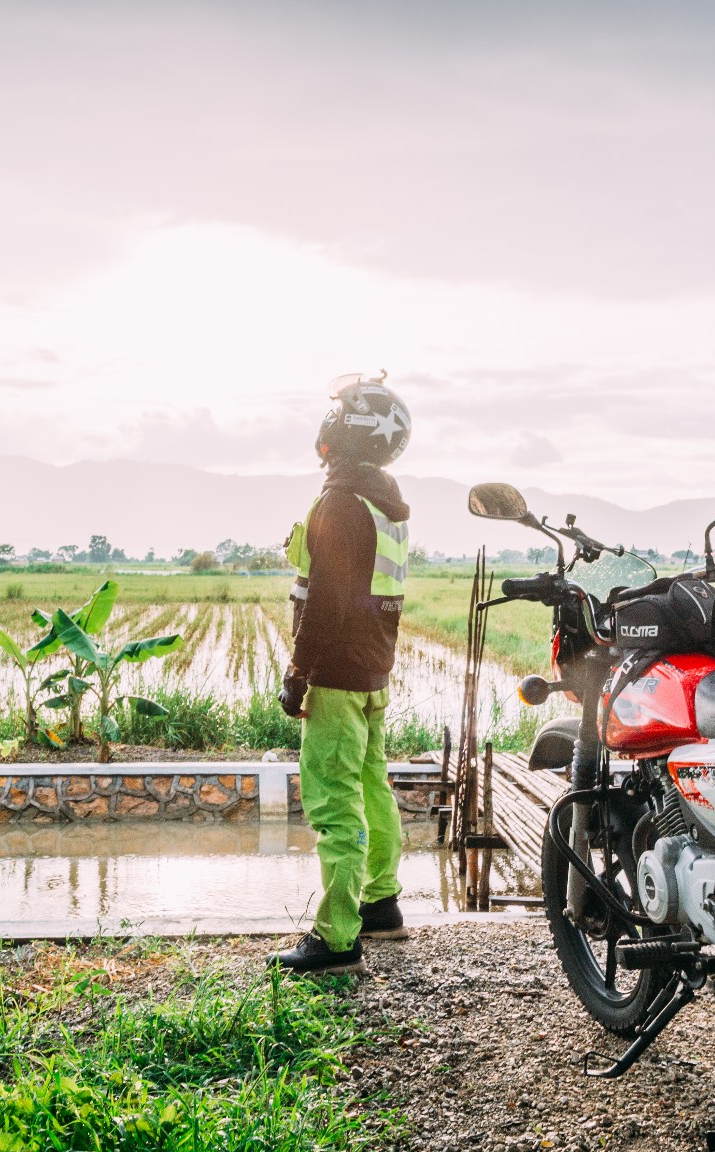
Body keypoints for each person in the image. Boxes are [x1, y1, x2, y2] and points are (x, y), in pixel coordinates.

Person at [268, 371, 414, 975]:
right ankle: (380, 903)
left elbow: (326, 601)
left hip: (336, 672)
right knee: (372, 788)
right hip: (373, 670)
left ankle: (336, 938)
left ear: (344, 432)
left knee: (333, 800)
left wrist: (300, 672)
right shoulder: (387, 503)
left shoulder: (340, 502)